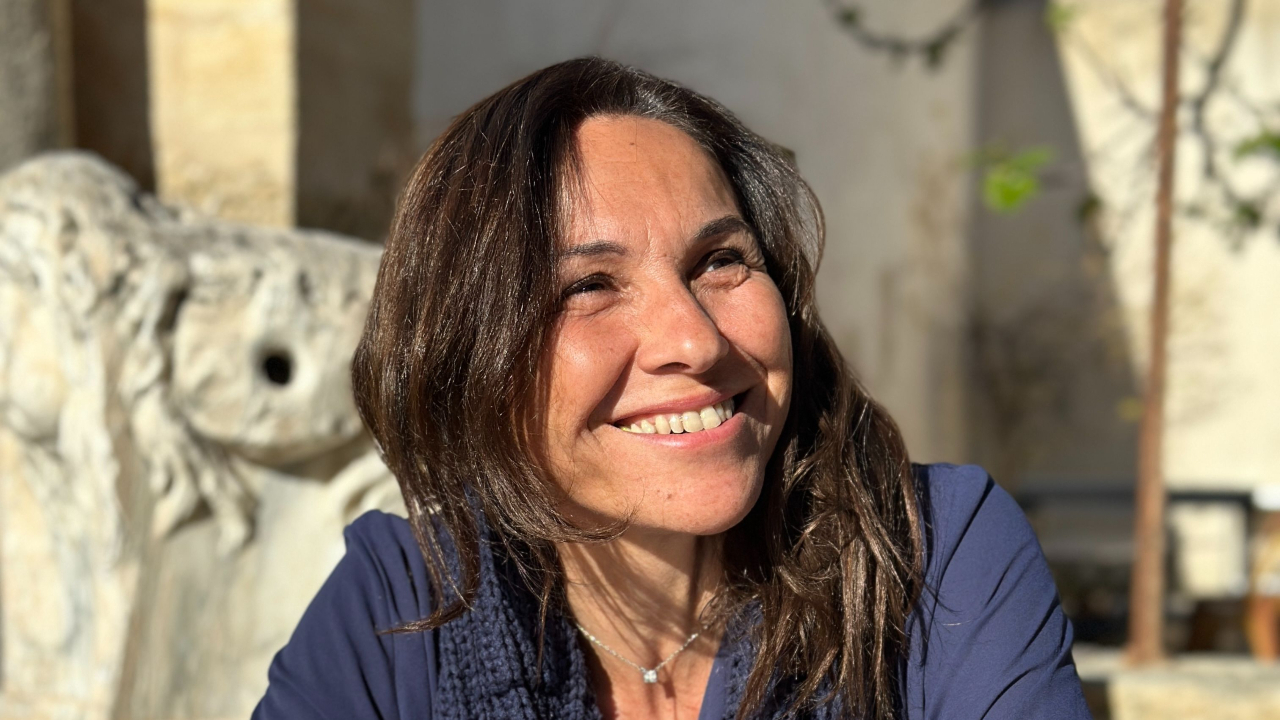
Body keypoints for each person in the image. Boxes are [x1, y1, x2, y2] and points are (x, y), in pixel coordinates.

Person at [252, 57, 1091, 720]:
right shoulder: (405, 610)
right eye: (589, 286)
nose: (695, 340)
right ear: (469, 358)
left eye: (720, 261)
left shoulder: (931, 557)